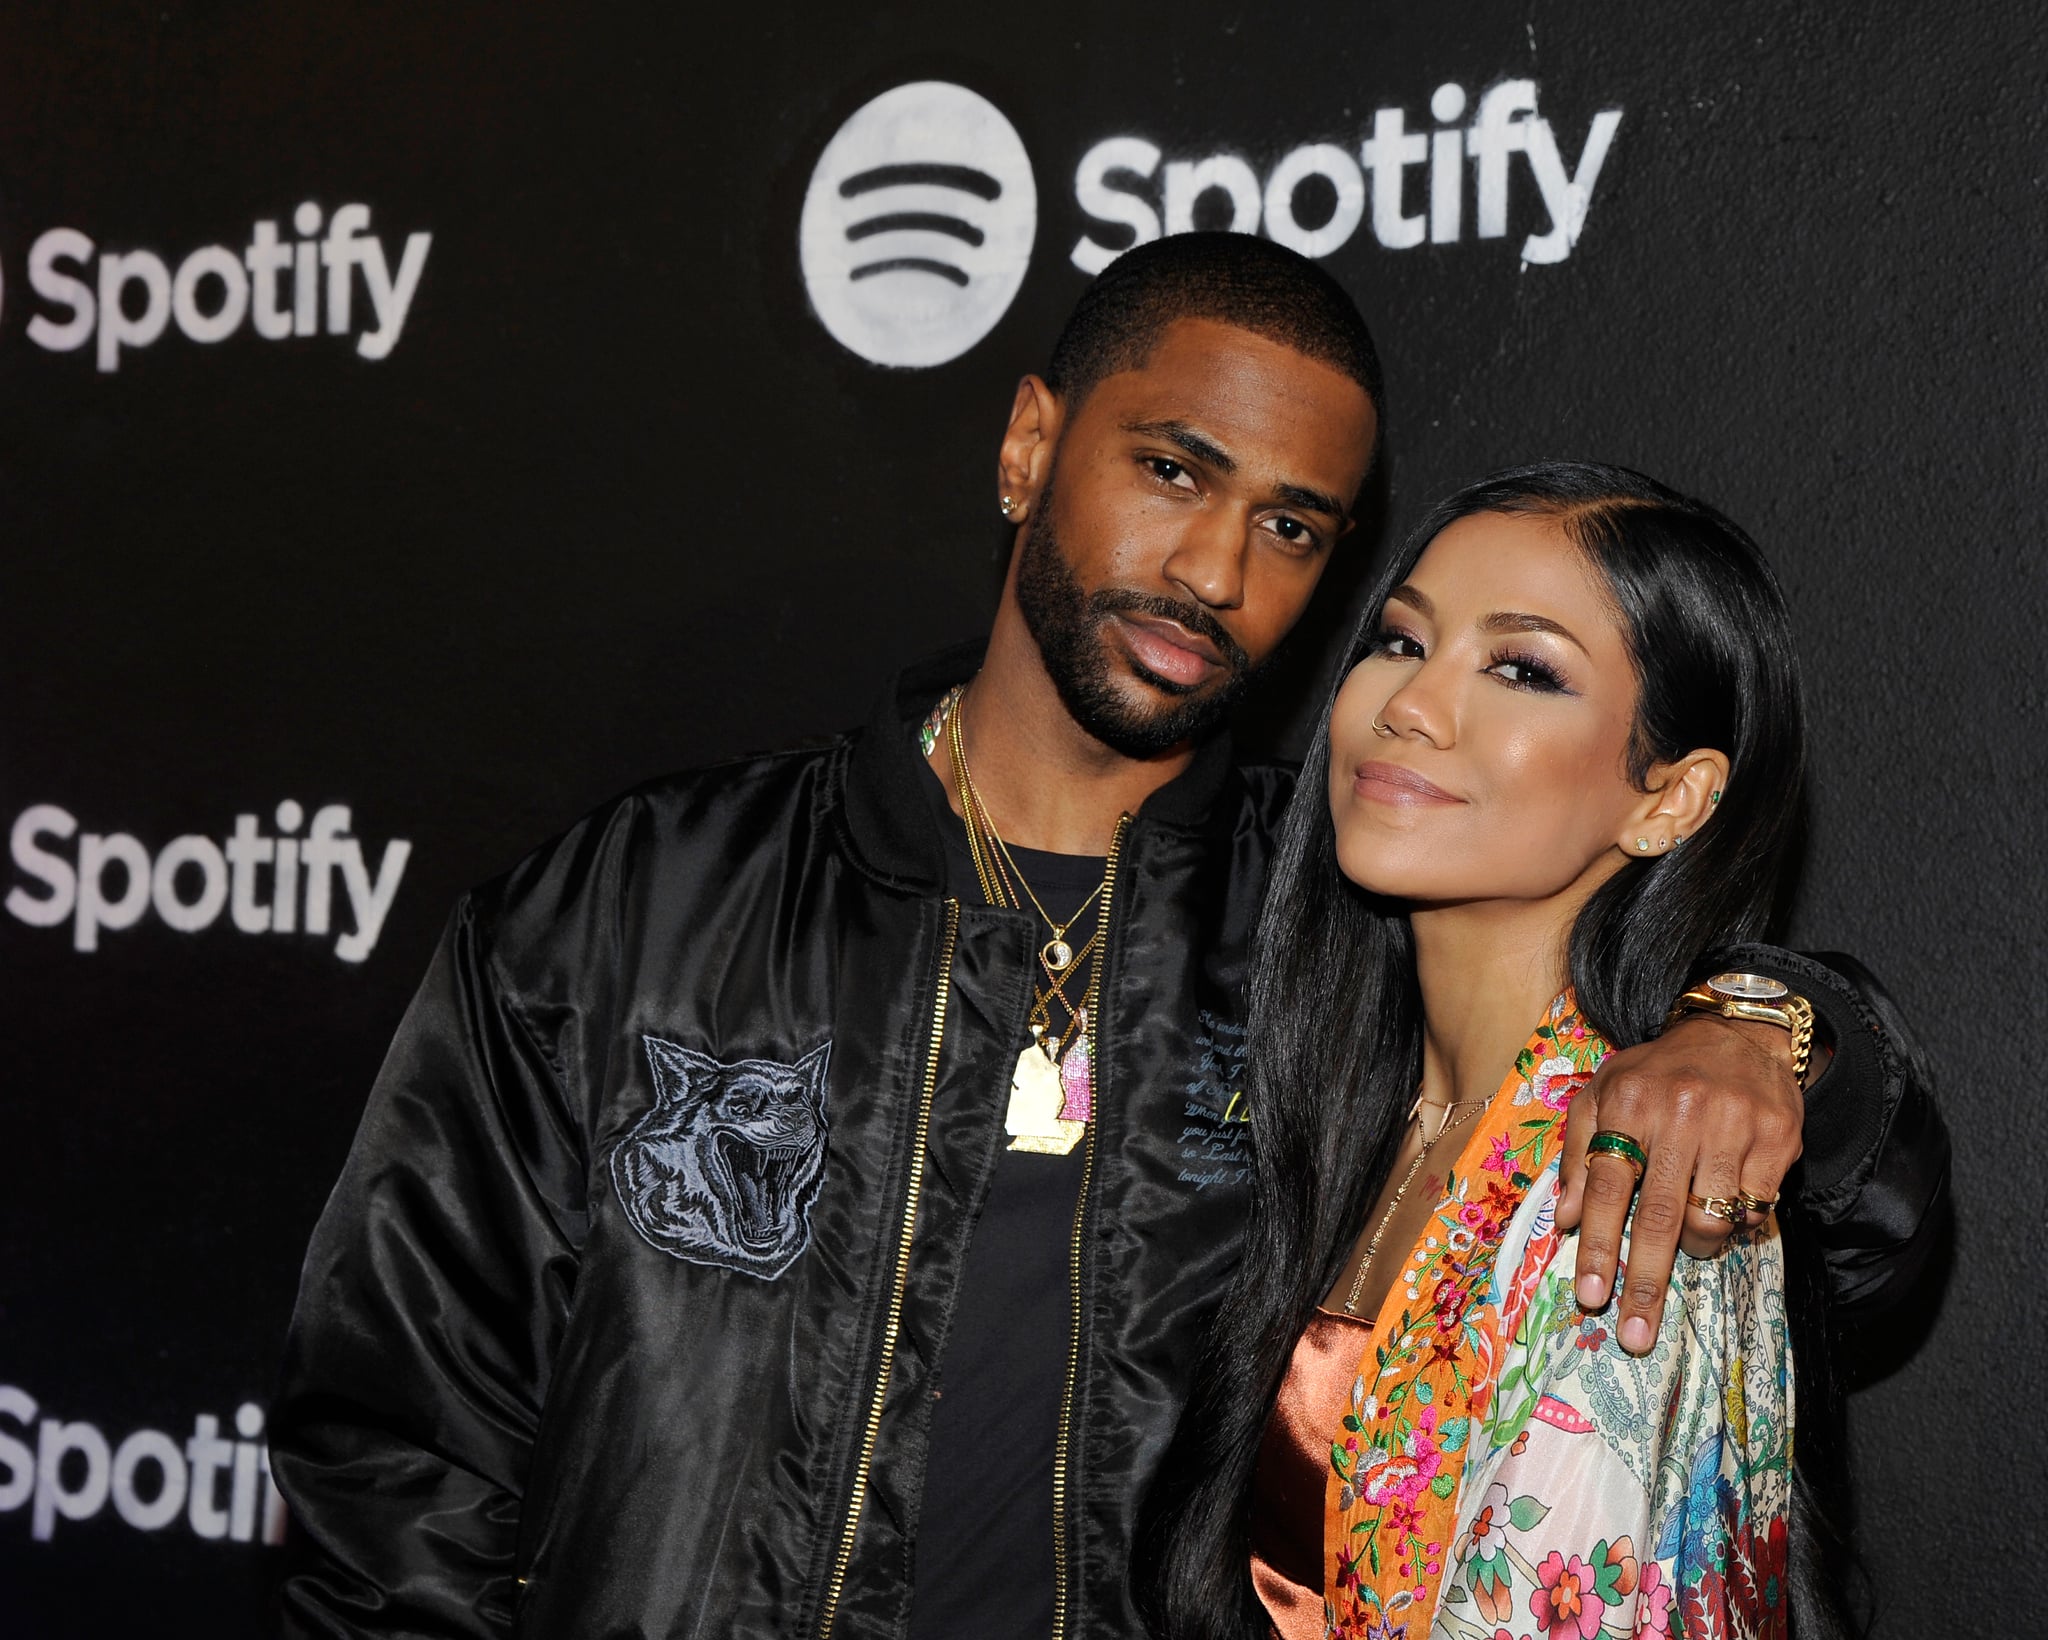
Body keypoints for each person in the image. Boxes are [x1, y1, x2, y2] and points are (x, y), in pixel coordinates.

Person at [269, 237, 1947, 1640]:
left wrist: (1764, 1017)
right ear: (1025, 449)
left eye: (1291, 527)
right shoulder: (641, 904)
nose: (1212, 566)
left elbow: (1832, 1224)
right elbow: (393, 1460)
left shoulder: (1331, 934)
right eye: (1168, 470)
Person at [1139, 462, 1908, 1640]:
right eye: (1399, 641)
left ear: (1668, 799)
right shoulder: (1346, 1106)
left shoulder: (1639, 1174)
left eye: (1520, 668)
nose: (1410, 704)